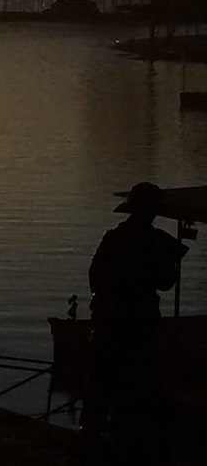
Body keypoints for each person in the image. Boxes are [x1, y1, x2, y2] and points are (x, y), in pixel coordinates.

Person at [80, 181, 188, 460]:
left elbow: (95, 275)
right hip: (137, 324)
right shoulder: (156, 243)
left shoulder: (113, 238)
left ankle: (92, 439)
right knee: (134, 382)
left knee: (101, 383)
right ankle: (124, 441)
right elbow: (165, 283)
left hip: (108, 321)